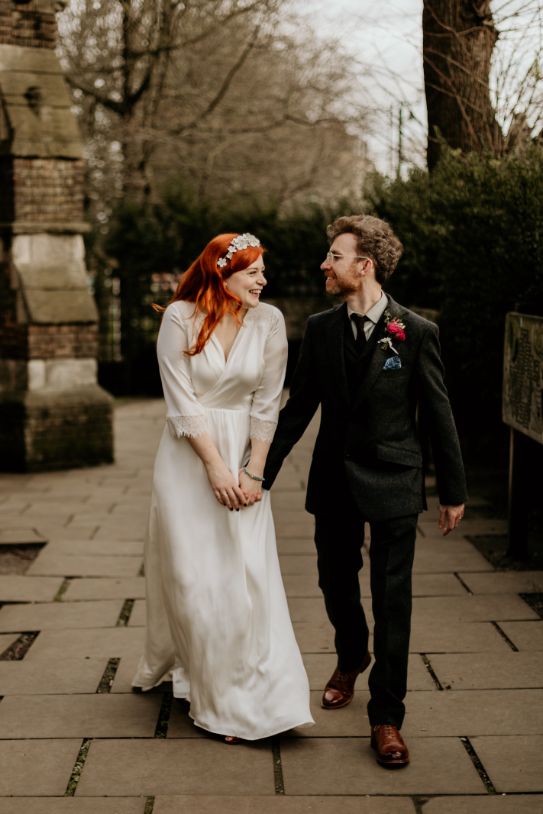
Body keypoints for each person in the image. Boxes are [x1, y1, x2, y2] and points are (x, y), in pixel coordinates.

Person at [264, 215, 467, 768]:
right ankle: (352, 652)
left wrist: (452, 490)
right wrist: (259, 474)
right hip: (333, 480)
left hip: (396, 479)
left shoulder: (416, 331)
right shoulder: (322, 329)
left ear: (364, 265)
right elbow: (298, 407)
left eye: (334, 255)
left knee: (393, 599)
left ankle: (386, 718)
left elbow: (439, 413)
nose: (324, 265)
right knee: (334, 581)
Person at [132, 232, 313, 742]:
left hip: (245, 457)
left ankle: (252, 698)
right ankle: (211, 688)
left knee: (247, 578)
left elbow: (267, 400)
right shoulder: (178, 318)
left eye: (262, 271)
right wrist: (214, 466)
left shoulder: (270, 321)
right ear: (222, 274)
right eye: (253, 271)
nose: (263, 280)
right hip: (189, 458)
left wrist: (253, 471)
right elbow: (181, 401)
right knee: (195, 581)